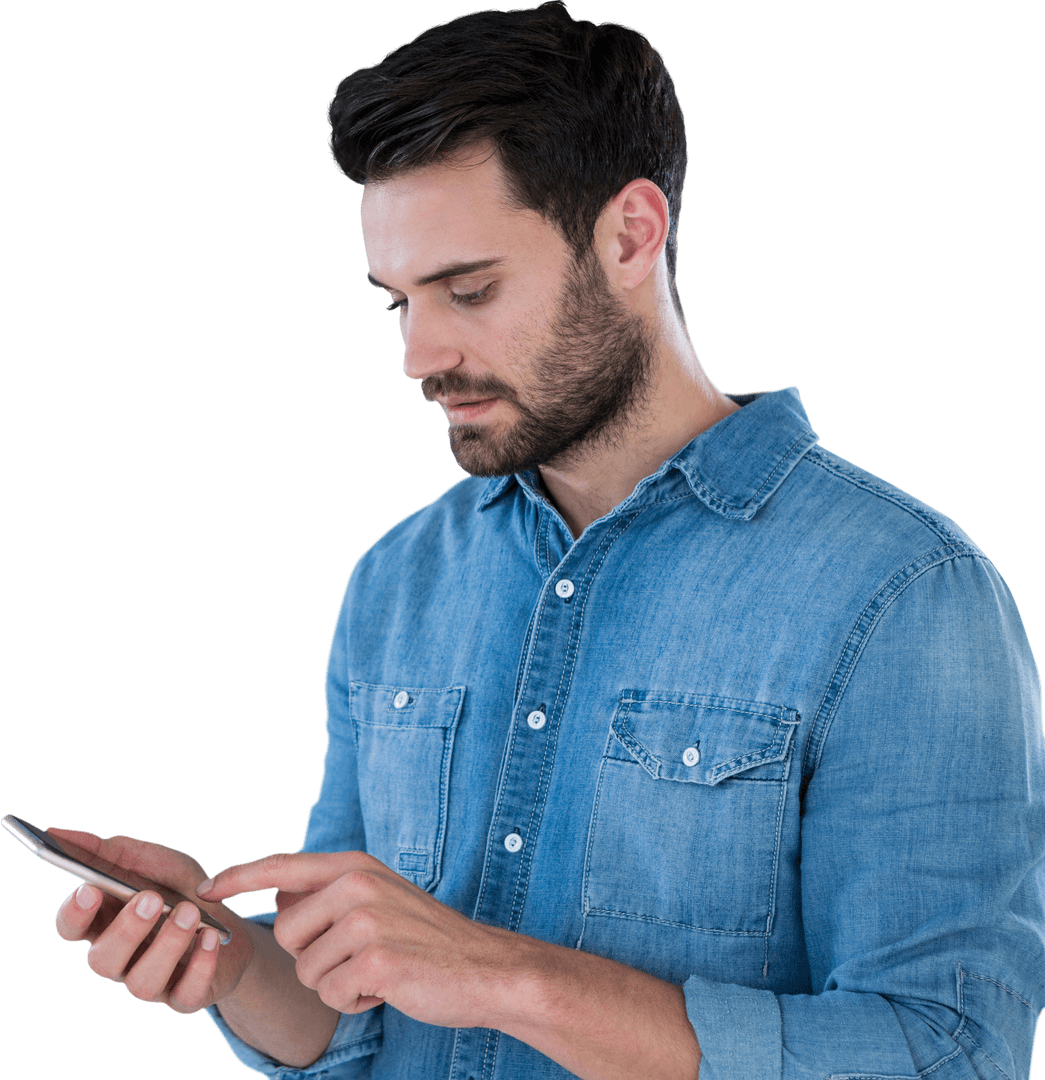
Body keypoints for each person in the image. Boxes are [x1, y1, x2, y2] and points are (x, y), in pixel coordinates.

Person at [52, 3, 1044, 1078]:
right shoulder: (398, 578)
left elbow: (954, 1052)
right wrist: (234, 961)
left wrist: (501, 978)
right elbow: (360, 1015)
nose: (418, 355)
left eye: (468, 290)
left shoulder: (903, 593)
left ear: (630, 234)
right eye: (395, 302)